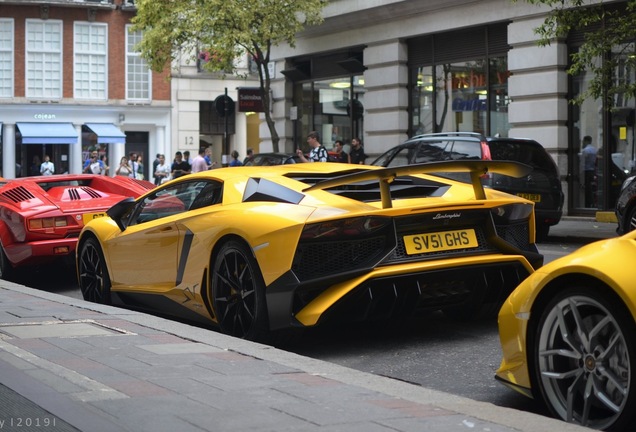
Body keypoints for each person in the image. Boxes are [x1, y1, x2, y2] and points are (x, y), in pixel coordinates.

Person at [582, 135, 597, 207]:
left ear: (586, 141)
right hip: (592, 170)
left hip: (586, 171)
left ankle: (588, 203)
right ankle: (592, 202)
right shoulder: (594, 150)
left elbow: (582, 162)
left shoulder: (585, 150)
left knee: (587, 189)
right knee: (592, 188)